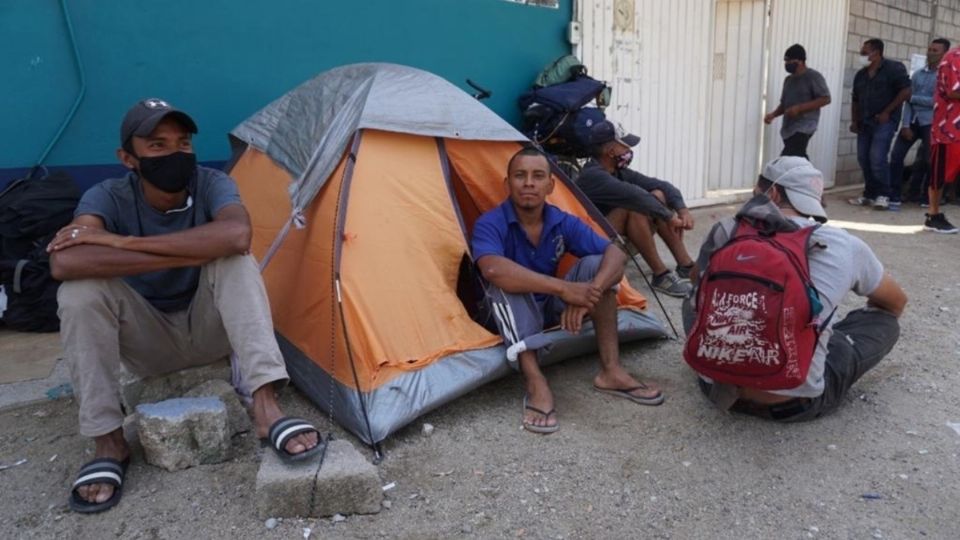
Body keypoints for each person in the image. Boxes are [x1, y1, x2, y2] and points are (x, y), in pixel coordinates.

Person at [47, 98, 323, 514]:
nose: (175, 154)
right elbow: (67, 260)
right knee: (79, 293)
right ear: (128, 158)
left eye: (183, 143)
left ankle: (266, 408)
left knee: (235, 262)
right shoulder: (105, 197)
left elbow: (234, 237)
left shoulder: (212, 184)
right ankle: (109, 441)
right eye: (157, 146)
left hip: (211, 330)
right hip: (148, 339)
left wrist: (123, 244)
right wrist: (194, 249)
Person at [685, 156, 907, 421]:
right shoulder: (843, 244)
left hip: (715, 387)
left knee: (692, 299)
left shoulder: (726, 229)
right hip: (793, 404)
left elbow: (697, 280)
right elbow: (895, 303)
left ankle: (726, 367)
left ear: (772, 192)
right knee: (882, 322)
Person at [471, 146, 663, 435]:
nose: (529, 183)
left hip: (547, 307)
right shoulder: (491, 223)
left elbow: (616, 254)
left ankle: (610, 371)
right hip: (504, 312)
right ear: (507, 183)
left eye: (538, 176)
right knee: (504, 283)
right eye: (520, 176)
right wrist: (566, 290)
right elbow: (492, 270)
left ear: (550, 185)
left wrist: (589, 294)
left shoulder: (561, 220)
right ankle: (536, 382)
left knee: (599, 264)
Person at [574, 120, 696, 297]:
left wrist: (682, 210)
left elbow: (662, 185)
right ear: (611, 151)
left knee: (658, 194)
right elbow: (635, 196)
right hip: (592, 243)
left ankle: (686, 266)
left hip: (615, 236)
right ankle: (660, 275)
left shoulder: (617, 171)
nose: (629, 151)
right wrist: (670, 217)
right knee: (634, 208)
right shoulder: (593, 175)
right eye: (625, 146)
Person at [848, 38, 912, 210]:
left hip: (885, 121)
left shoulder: (893, 69)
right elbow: (855, 99)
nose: (861, 55)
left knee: (877, 157)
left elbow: (906, 91)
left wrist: (887, 112)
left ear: (876, 52)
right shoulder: (861, 75)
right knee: (863, 157)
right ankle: (869, 194)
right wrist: (854, 120)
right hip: (865, 122)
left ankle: (884, 194)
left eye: (864, 52)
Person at [889, 39, 949, 210]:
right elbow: (907, 101)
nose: (931, 52)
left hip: (931, 123)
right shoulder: (918, 75)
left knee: (930, 161)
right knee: (896, 157)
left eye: (935, 50)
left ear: (944, 54)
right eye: (929, 49)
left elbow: (937, 101)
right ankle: (894, 194)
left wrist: (914, 99)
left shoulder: (944, 76)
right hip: (913, 122)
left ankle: (926, 196)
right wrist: (906, 124)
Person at [763, 44, 832, 159]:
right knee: (797, 158)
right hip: (789, 127)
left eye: (789, 60)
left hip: (804, 126)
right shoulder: (788, 80)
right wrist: (773, 115)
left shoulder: (813, 76)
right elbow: (784, 104)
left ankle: (808, 176)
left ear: (800, 61)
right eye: (785, 61)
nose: (786, 64)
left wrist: (799, 108)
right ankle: (810, 176)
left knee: (788, 158)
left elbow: (826, 98)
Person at [925, 43, 960, 233]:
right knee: (939, 174)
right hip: (948, 128)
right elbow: (952, 91)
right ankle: (933, 215)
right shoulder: (954, 57)